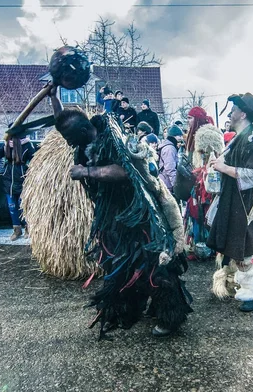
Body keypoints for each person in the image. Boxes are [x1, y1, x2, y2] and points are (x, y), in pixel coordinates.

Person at [49, 87, 191, 337]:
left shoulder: (112, 138)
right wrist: (54, 98)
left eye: (71, 138)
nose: (69, 143)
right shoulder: (83, 138)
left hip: (137, 214)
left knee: (151, 263)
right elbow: (65, 123)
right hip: (113, 217)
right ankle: (130, 308)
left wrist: (87, 172)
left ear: (83, 131)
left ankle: (171, 315)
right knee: (119, 264)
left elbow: (125, 171)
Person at [206, 92, 253, 312]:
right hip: (233, 202)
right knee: (237, 250)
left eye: (233, 110)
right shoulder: (239, 138)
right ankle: (248, 289)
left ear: (242, 113)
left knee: (245, 251)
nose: (230, 114)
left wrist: (223, 168)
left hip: (244, 205)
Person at [184, 123, 224, 261]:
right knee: (197, 221)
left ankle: (212, 248)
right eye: (201, 151)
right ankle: (199, 247)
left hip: (210, 197)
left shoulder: (218, 162)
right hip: (198, 197)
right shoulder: (198, 161)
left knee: (209, 221)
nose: (203, 154)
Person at [0, 134, 35, 240]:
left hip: (22, 179)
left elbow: (35, 158)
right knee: (12, 206)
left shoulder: (27, 145)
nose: (10, 139)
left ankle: (28, 228)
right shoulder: (7, 146)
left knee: (23, 206)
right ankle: (17, 230)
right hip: (8, 181)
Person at [158, 125, 183, 194]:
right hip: (167, 183)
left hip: (165, 180)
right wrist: (176, 185)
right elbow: (170, 168)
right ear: (174, 136)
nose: (181, 138)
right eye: (179, 136)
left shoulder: (170, 146)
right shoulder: (170, 148)